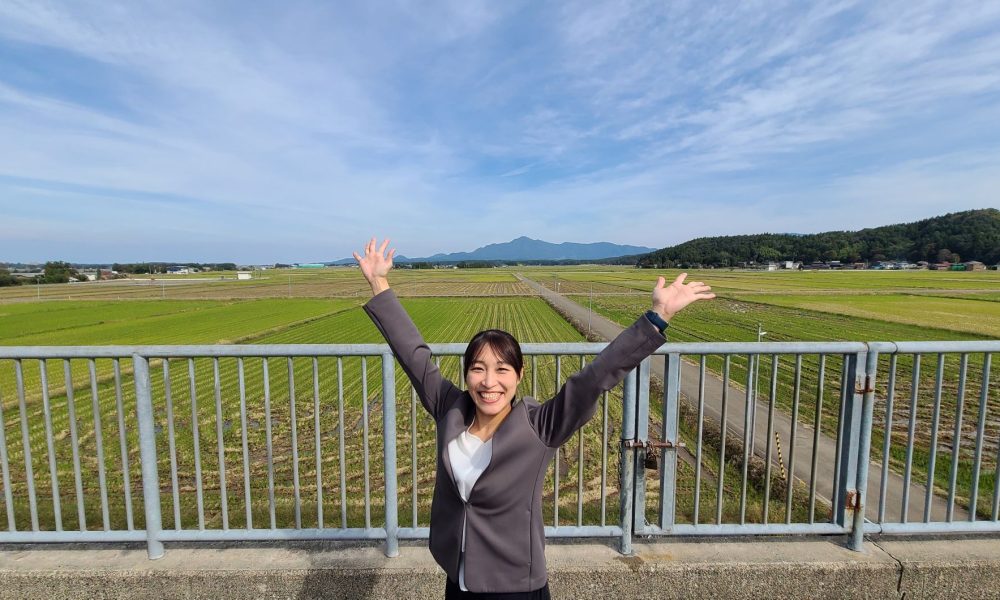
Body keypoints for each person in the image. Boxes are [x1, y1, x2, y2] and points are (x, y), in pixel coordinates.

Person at [354, 237, 714, 599]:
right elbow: (413, 356)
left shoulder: (540, 426)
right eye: (478, 369)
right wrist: (378, 283)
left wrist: (657, 318)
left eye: (502, 369)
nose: (489, 382)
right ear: (466, 375)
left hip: (516, 585)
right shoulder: (450, 409)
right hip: (458, 577)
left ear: (520, 374)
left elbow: (593, 379)